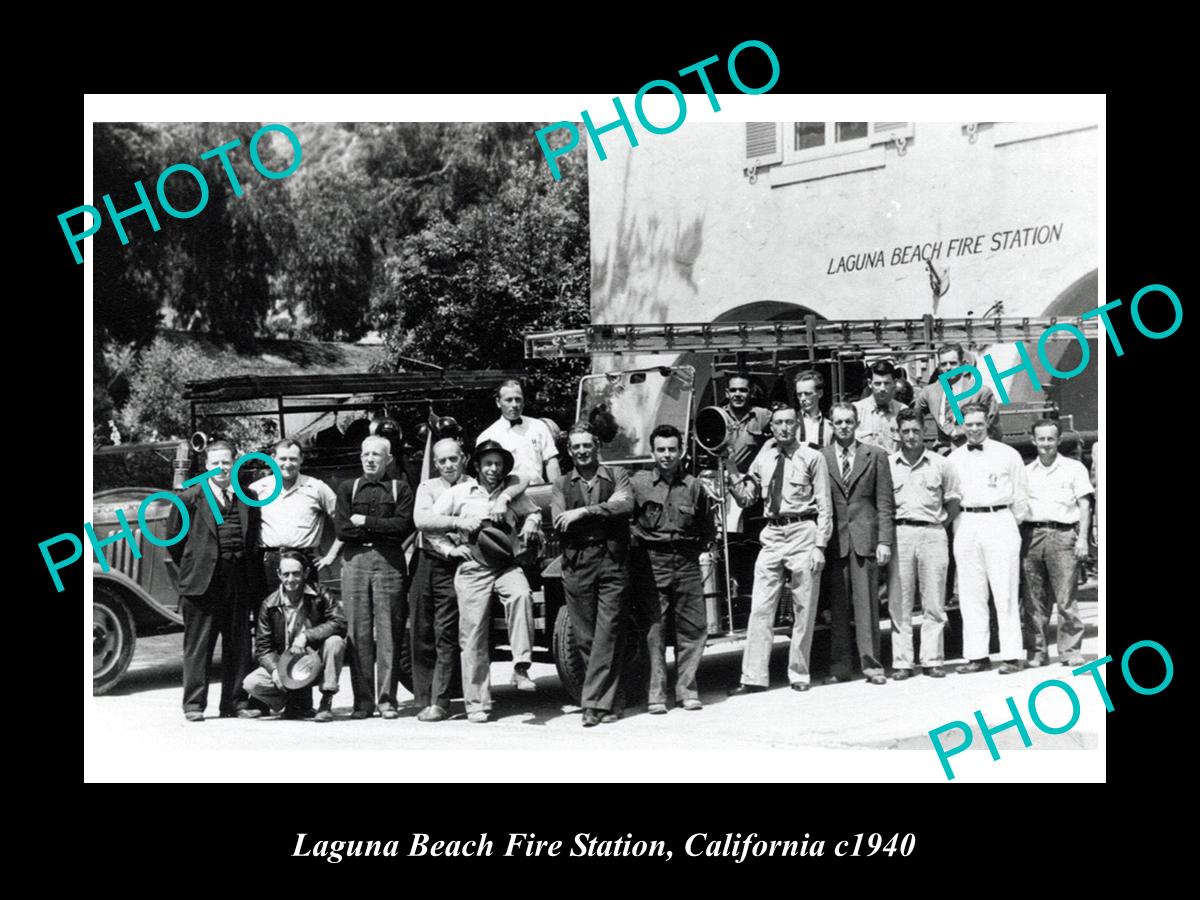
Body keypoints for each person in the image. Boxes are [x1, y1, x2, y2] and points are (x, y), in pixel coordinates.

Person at [409, 437, 523, 722]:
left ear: (464, 458)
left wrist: (508, 497)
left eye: (453, 459)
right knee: (430, 632)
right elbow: (422, 520)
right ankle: (430, 700)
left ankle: (447, 699)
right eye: (442, 461)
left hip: (476, 564)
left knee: (455, 634)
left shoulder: (483, 480)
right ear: (435, 464)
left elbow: (517, 481)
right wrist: (454, 535)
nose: (448, 465)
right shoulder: (430, 487)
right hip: (436, 561)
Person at [431, 439, 543, 723]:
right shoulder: (461, 492)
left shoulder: (512, 493)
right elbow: (431, 524)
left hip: (506, 564)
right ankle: (477, 703)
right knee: (473, 634)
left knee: (521, 595)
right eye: (488, 464)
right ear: (478, 467)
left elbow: (534, 512)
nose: (493, 469)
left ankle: (521, 667)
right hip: (473, 567)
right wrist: (450, 548)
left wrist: (531, 522)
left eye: (498, 464)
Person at [726, 403, 832, 695]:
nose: (784, 428)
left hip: (804, 531)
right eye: (778, 423)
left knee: (803, 607)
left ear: (797, 425)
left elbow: (824, 506)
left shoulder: (812, 457)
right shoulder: (764, 457)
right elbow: (747, 499)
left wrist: (820, 546)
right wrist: (731, 468)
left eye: (789, 422)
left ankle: (799, 673)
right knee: (761, 607)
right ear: (770, 427)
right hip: (772, 532)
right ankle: (753, 676)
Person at [166, 440, 259, 722]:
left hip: (238, 579)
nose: (221, 468)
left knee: (239, 644)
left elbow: (252, 538)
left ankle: (235, 702)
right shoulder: (188, 499)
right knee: (199, 645)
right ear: (206, 467)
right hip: (202, 582)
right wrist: (198, 564)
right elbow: (174, 541)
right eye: (215, 463)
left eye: (226, 463)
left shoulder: (248, 497)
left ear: (235, 464)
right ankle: (194, 704)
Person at [551, 423, 634, 726]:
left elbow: (625, 505)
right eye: (577, 447)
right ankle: (611, 700)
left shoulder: (616, 475)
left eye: (587, 445)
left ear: (597, 446)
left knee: (608, 632)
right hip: (577, 561)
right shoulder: (561, 484)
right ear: (569, 451)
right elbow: (560, 520)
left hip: (612, 558)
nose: (583, 451)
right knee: (585, 636)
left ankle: (592, 705)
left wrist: (584, 512)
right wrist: (605, 511)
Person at [629, 424, 711, 714]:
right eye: (661, 449)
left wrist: (691, 552)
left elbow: (706, 527)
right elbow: (629, 522)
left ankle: (687, 690)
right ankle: (656, 695)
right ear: (652, 452)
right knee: (655, 630)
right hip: (652, 563)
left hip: (686, 562)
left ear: (682, 451)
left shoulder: (694, 486)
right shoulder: (637, 484)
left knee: (693, 628)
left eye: (672, 449)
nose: (667, 455)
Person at [334, 435, 415, 719]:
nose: (370, 459)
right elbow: (343, 530)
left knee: (389, 631)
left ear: (388, 459)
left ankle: (387, 700)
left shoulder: (400, 488)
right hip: (355, 562)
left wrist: (367, 522)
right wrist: (383, 528)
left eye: (376, 455)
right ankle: (363, 703)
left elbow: (403, 526)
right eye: (366, 454)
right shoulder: (347, 488)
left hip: (389, 562)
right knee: (358, 632)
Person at [947, 403, 1030, 675]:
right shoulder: (953, 459)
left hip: (999, 520)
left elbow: (1020, 497)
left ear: (987, 423)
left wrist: (1006, 522)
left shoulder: (1008, 455)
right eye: (968, 424)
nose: (973, 429)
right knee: (971, 593)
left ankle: (1011, 655)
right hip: (967, 522)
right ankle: (977, 655)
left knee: (1005, 591)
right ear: (962, 425)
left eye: (978, 424)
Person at [822, 404, 894, 685]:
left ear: (856, 422)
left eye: (848, 421)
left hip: (866, 540)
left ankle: (872, 666)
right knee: (838, 608)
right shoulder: (822, 457)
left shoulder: (875, 455)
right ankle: (839, 667)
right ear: (831, 424)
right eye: (838, 422)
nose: (843, 426)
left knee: (867, 607)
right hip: (836, 541)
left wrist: (884, 540)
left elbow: (885, 503)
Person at [887, 408, 962, 680]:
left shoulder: (941, 464)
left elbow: (953, 499)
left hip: (932, 533)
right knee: (900, 601)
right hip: (901, 535)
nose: (910, 436)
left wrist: (940, 525)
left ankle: (932, 660)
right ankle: (903, 662)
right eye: (905, 431)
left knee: (934, 600)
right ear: (898, 433)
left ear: (924, 431)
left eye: (915, 430)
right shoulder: (888, 464)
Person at [1021, 419, 1094, 668]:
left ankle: (1070, 650)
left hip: (1063, 535)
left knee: (1066, 597)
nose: (1045, 444)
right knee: (1033, 599)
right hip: (1032, 536)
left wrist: (1083, 538)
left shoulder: (1074, 468)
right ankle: (1037, 651)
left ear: (1059, 440)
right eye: (1041, 439)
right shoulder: (1026, 472)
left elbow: (1085, 505)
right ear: (1033, 440)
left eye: (1050, 439)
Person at [242, 551, 348, 722]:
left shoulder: (320, 594)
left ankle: (325, 702)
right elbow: (263, 648)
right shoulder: (269, 605)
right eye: (286, 574)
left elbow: (339, 622)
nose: (291, 579)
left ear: (306, 573)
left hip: (315, 661)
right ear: (278, 575)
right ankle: (294, 703)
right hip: (287, 666)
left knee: (335, 642)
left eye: (296, 573)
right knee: (252, 683)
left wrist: (307, 636)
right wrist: (275, 670)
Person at [249, 439, 342, 595]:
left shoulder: (317, 487)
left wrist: (331, 556)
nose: (288, 464)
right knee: (271, 613)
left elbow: (343, 521)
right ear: (273, 459)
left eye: (293, 459)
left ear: (301, 460)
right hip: (269, 562)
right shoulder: (257, 489)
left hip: (304, 560)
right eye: (283, 459)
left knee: (306, 613)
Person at [476, 379, 561, 485]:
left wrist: (558, 493)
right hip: (507, 495)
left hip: (539, 491)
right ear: (498, 402)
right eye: (509, 400)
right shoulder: (488, 436)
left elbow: (551, 462)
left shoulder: (538, 426)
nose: (515, 404)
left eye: (518, 399)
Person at [915, 344, 1000, 449]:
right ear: (939, 367)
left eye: (953, 363)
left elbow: (993, 431)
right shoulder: (929, 392)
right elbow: (913, 417)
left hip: (972, 452)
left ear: (963, 364)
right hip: (943, 452)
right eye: (944, 364)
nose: (948, 368)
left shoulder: (981, 392)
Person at [719, 372, 772, 474]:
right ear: (727, 393)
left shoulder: (763, 415)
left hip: (752, 479)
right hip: (724, 477)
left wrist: (769, 444)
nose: (737, 394)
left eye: (743, 390)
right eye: (733, 390)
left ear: (752, 393)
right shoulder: (717, 416)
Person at [853, 360, 909, 453]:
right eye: (878, 384)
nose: (882, 388)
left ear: (894, 383)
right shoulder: (856, 411)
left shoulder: (903, 411)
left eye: (887, 383)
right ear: (870, 383)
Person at [792, 370, 834, 449]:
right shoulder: (791, 422)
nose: (803, 398)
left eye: (807, 394)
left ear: (820, 393)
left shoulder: (830, 425)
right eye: (799, 394)